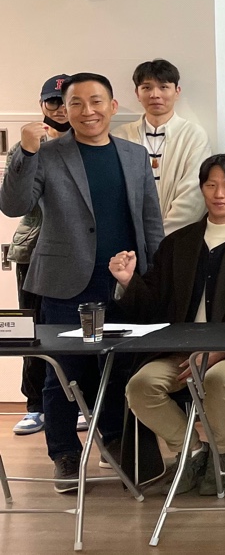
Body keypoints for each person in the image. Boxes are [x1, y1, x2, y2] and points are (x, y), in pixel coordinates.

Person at [0, 72, 164, 491]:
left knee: (118, 368)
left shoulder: (134, 155)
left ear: (113, 106)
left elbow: (149, 218)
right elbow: (13, 204)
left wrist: (154, 274)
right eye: (76, 103)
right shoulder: (46, 153)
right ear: (64, 110)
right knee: (62, 373)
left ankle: (114, 440)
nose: (87, 111)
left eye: (96, 101)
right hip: (63, 281)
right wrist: (25, 151)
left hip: (122, 280)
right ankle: (64, 454)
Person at [111, 155, 225, 495]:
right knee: (140, 386)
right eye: (211, 185)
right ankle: (192, 451)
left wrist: (223, 351)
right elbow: (151, 304)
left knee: (218, 379)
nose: (219, 194)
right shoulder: (178, 243)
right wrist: (127, 281)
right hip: (180, 351)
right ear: (202, 189)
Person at [6, 73, 69, 437]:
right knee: (30, 329)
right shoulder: (29, 143)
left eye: (65, 101)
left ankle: (75, 400)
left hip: (74, 252)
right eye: (52, 101)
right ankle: (35, 405)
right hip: (33, 250)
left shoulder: (87, 142)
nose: (59, 109)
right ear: (42, 104)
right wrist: (30, 150)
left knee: (75, 328)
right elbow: (14, 201)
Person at [113, 59, 210, 235]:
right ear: (137, 93)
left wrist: (161, 237)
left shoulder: (193, 135)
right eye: (147, 87)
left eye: (163, 87)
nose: (155, 94)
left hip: (178, 238)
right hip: (129, 237)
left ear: (177, 91)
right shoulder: (120, 136)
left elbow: (193, 194)